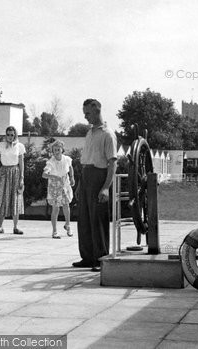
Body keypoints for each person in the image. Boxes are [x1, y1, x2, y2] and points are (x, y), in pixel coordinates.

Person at [73, 99, 117, 272]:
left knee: (98, 220)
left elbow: (112, 163)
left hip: (99, 177)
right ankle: (87, 257)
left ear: (97, 110)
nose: (85, 116)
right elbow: (86, 161)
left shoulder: (108, 134)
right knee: (84, 220)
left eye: (88, 113)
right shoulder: (90, 133)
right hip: (86, 176)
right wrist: (79, 185)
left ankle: (100, 259)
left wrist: (106, 187)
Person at [0, 126, 25, 235]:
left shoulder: (19, 146)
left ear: (15, 135)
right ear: (6, 135)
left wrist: (22, 177)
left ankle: (15, 227)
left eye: (12, 135)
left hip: (15, 172)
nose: (10, 137)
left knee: (16, 199)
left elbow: (21, 163)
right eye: (8, 134)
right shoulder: (0, 146)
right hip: (3, 172)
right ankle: (0, 227)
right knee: (1, 198)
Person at [42, 140, 75, 239]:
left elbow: (70, 167)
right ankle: (54, 231)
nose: (57, 151)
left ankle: (68, 225)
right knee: (56, 208)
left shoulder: (66, 159)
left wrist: (72, 177)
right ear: (52, 151)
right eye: (55, 150)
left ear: (62, 150)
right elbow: (44, 175)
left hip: (65, 183)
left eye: (58, 149)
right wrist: (53, 176)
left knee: (66, 205)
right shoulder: (51, 162)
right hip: (55, 186)